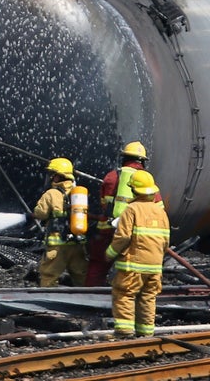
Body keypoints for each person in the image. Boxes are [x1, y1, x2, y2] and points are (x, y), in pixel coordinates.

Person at [85, 141, 163, 286]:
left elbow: (104, 204)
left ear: (124, 158)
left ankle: (90, 296)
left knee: (98, 265)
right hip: (134, 233)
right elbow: (159, 209)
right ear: (142, 162)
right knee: (129, 270)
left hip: (107, 230)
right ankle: (125, 297)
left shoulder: (112, 176)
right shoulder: (146, 180)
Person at [105, 170, 170, 338]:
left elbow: (123, 237)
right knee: (148, 297)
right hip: (155, 266)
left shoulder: (131, 209)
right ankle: (146, 334)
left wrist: (110, 253)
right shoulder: (161, 212)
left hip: (133, 265)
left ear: (134, 190)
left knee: (124, 294)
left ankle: (125, 332)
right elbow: (166, 241)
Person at [31, 157, 87, 287]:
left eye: (53, 175)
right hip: (77, 244)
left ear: (59, 176)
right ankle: (87, 301)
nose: (51, 178)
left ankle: (48, 300)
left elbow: (41, 213)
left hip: (57, 246)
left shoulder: (51, 193)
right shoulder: (78, 193)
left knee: (49, 275)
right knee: (81, 275)